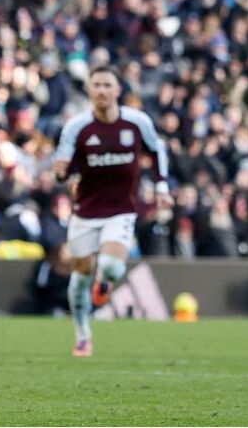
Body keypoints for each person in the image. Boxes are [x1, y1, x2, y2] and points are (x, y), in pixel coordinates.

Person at [52, 66, 172, 358]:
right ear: (90, 91)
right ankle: (83, 336)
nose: (102, 90)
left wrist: (161, 186)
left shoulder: (137, 122)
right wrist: (61, 173)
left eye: (108, 84)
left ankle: (104, 282)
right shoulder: (77, 127)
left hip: (121, 210)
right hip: (85, 212)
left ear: (118, 90)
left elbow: (158, 150)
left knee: (111, 266)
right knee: (80, 276)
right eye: (97, 85)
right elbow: (62, 168)